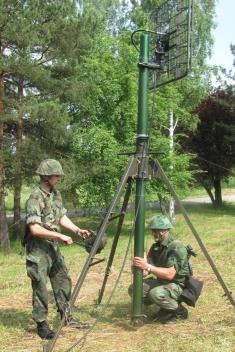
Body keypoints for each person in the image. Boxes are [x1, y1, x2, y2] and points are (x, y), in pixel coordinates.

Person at [25, 159, 91, 339]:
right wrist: (60, 236)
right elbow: (35, 229)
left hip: (53, 247)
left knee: (63, 280)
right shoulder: (34, 197)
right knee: (40, 285)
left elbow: (61, 216)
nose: (59, 178)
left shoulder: (55, 194)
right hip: (38, 249)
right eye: (56, 175)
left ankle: (66, 316)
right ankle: (41, 324)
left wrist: (77, 230)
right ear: (46, 177)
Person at [131, 214, 190, 324]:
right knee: (135, 289)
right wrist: (141, 262)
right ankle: (165, 309)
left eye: (155, 231)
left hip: (177, 284)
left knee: (156, 293)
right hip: (162, 282)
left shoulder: (176, 246)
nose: (153, 234)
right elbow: (144, 273)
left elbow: (170, 274)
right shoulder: (156, 247)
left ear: (164, 231)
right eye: (153, 231)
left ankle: (180, 312)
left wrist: (147, 266)